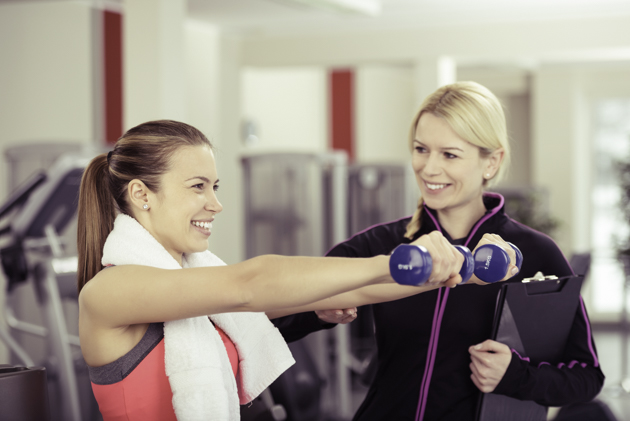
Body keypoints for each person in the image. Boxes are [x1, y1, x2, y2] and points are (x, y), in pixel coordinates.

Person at [77, 119, 516, 421]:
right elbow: (250, 285)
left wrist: (454, 273)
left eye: (215, 186)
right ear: (141, 194)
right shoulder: (111, 289)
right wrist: (389, 261)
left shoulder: (195, 283)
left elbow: (349, 295)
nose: (216, 203)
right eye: (198, 187)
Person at [273, 81, 605, 420]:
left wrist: (516, 376)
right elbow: (276, 319)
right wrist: (319, 311)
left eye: (449, 154)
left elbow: (587, 377)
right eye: (421, 149)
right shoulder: (382, 245)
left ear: (491, 162)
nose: (429, 168)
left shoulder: (535, 253)